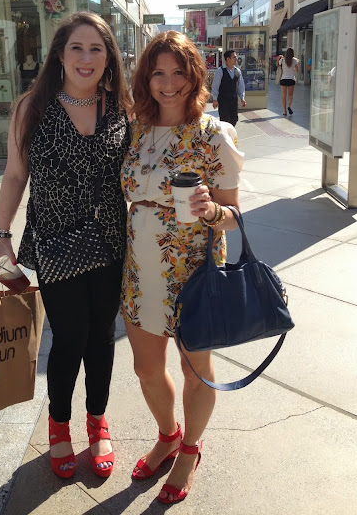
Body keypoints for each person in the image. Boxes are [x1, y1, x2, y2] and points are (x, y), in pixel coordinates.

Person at [0, 11, 132, 479]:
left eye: (96, 49)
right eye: (77, 48)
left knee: (102, 336)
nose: (86, 58)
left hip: (110, 240)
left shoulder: (121, 106)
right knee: (69, 337)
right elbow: (15, 175)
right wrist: (3, 237)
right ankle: (60, 422)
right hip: (55, 242)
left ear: (108, 58)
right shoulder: (32, 107)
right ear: (60, 55)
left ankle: (97, 420)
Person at [120, 31, 244, 504]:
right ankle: (168, 435)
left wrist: (211, 211)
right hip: (140, 270)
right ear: (146, 78)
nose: (168, 83)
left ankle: (190, 449)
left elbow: (235, 215)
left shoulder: (214, 134)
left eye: (178, 73)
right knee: (146, 369)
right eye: (158, 73)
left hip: (195, 273)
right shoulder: (136, 130)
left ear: (194, 77)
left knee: (197, 372)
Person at [211, 49, 246, 126]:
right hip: (223, 101)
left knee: (234, 119)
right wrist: (215, 99)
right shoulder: (220, 71)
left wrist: (242, 98)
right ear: (228, 59)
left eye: (236, 57)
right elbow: (215, 86)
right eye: (234, 57)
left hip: (233, 101)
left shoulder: (237, 71)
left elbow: (240, 86)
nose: (236, 59)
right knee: (225, 121)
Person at [278, 47, 299, 116]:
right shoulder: (294, 61)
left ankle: (284, 111)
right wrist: (293, 69)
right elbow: (297, 70)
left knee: (283, 95)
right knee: (290, 95)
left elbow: (277, 65)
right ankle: (289, 106)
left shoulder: (282, 60)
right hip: (291, 79)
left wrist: (278, 58)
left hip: (283, 79)